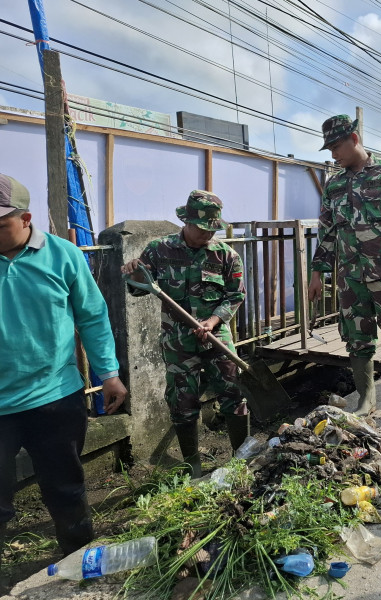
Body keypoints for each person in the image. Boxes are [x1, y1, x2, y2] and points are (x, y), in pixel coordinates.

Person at [0, 174, 127, 561]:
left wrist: (109, 373)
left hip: (54, 397)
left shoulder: (63, 255)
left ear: (26, 219)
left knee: (65, 488)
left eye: (0, 224)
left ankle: (78, 562)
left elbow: (92, 317)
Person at [308, 115, 381, 424]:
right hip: (350, 277)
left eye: (337, 146)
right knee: (356, 336)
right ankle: (366, 398)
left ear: (354, 138)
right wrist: (317, 272)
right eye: (330, 149)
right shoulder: (334, 184)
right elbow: (326, 231)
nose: (333, 154)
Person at [121, 191, 248, 478]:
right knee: (182, 401)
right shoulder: (158, 250)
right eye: (202, 229)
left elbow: (235, 296)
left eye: (211, 230)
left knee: (233, 393)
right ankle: (194, 465)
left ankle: (242, 460)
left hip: (217, 335)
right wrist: (135, 274)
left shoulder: (226, 255)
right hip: (178, 339)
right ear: (186, 222)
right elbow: (138, 287)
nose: (207, 235)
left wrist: (213, 320)